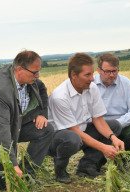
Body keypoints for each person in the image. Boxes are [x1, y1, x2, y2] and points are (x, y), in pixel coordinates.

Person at [0, 50, 53, 190]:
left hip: (15, 126)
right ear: (19, 69)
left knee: (46, 130)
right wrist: (13, 164)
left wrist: (42, 113)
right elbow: (1, 131)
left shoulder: (30, 80)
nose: (37, 76)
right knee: (5, 182)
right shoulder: (0, 90)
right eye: (34, 72)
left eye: (39, 72)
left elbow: (42, 88)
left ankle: (27, 175)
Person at [48, 53, 125, 184]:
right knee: (73, 138)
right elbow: (74, 130)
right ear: (73, 75)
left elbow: (98, 119)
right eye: (87, 75)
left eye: (92, 73)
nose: (92, 79)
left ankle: (86, 167)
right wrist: (104, 148)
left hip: (80, 131)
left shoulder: (91, 88)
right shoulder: (59, 97)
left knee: (114, 126)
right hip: (57, 138)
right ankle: (60, 170)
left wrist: (113, 137)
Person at [94, 53, 130, 154]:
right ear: (99, 70)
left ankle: (125, 157)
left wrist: (118, 124)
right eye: (107, 71)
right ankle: (96, 159)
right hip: (97, 125)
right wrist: (103, 127)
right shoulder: (91, 84)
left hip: (121, 123)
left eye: (114, 71)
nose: (112, 75)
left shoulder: (126, 83)